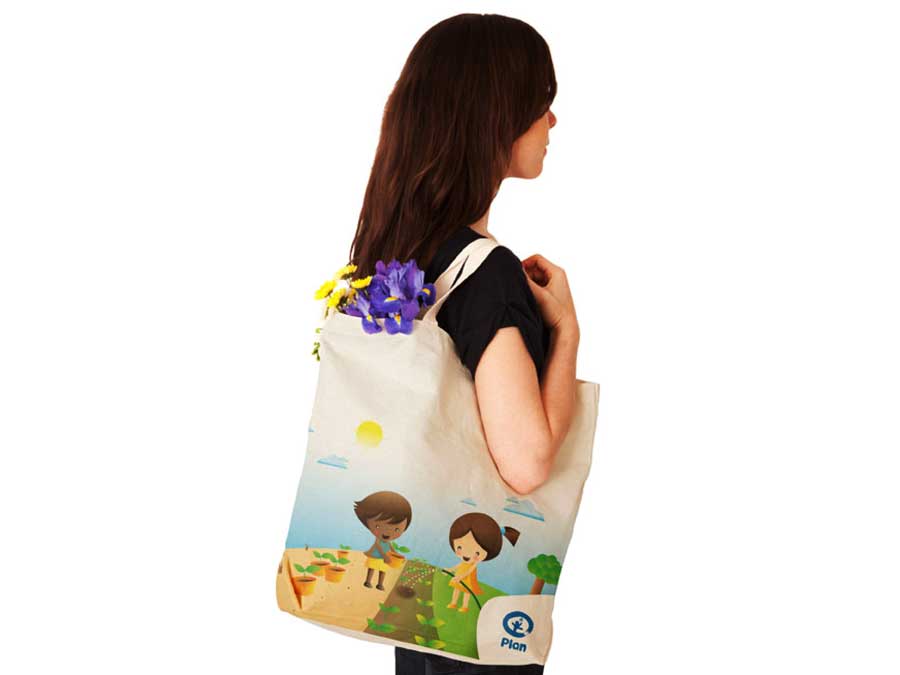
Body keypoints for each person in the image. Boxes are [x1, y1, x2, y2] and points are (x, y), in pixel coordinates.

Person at [347, 12, 581, 675]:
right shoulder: (487, 273)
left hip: (419, 615)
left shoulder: (404, 260)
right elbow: (527, 463)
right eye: (541, 103)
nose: (552, 121)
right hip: (480, 646)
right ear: (495, 116)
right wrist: (565, 333)